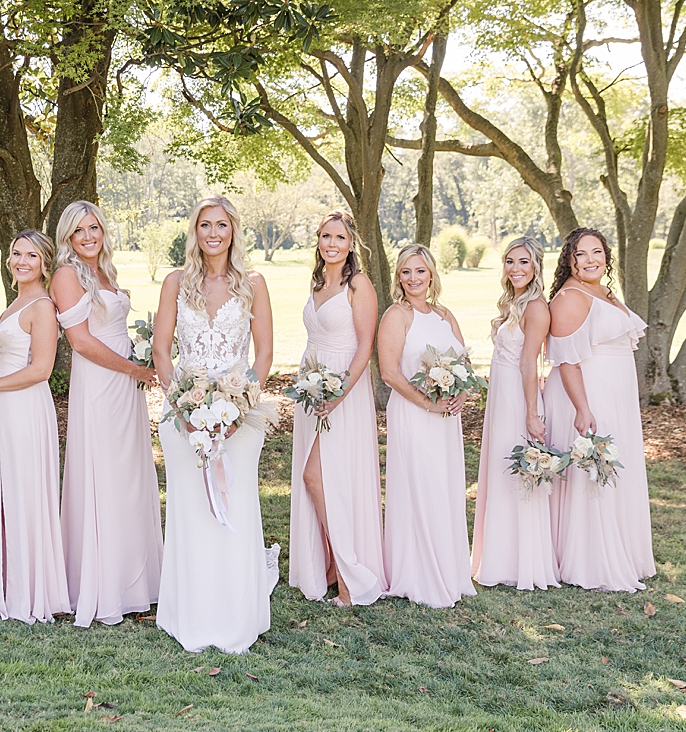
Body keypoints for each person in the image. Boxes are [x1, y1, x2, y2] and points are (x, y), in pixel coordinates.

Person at [152, 196, 278, 654]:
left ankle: (235, 612)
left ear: (232, 231)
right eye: (204, 225)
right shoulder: (175, 283)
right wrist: (182, 407)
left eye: (221, 225)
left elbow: (263, 353)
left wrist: (241, 405)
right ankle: (193, 611)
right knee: (191, 511)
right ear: (195, 232)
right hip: (183, 417)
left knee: (235, 507)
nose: (212, 233)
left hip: (240, 418)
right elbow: (162, 352)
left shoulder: (254, 284)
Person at [50, 200, 162, 628]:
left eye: (94, 227)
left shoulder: (104, 272)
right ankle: (105, 585)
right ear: (68, 238)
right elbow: (80, 341)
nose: (89, 236)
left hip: (124, 383)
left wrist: (139, 361)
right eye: (79, 231)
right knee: (106, 476)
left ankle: (136, 582)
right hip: (99, 384)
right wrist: (135, 368)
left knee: (130, 474)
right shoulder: (65, 274)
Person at [0, 230, 71, 623]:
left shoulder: (42, 306)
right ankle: (0, 579)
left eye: (31, 256)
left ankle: (28, 589)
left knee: (23, 489)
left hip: (24, 408)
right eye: (16, 254)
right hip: (2, 407)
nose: (21, 261)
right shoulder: (14, 304)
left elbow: (40, 370)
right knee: (1, 487)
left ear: (44, 263)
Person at [543, 228, 656, 592]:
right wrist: (582, 408)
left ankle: (623, 552)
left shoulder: (604, 292)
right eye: (581, 254)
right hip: (589, 394)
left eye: (597, 252)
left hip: (616, 393)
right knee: (595, 470)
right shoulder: (570, 298)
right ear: (569, 261)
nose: (591, 260)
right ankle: (592, 561)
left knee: (616, 470)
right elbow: (565, 362)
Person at [288, 211, 385, 607]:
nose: (331, 243)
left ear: (351, 244)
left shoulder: (358, 284)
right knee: (319, 478)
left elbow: (365, 346)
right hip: (313, 390)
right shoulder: (317, 281)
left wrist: (339, 393)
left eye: (339, 237)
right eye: (325, 236)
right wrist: (310, 387)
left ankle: (350, 576)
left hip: (342, 390)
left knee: (320, 477)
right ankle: (327, 567)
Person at [378, 243, 476, 608]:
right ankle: (417, 574)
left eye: (420, 271)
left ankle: (449, 571)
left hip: (446, 419)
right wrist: (426, 403)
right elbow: (389, 372)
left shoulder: (444, 315)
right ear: (398, 277)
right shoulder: (396, 315)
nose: (413, 278)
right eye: (406, 272)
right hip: (414, 415)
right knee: (420, 488)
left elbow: (464, 364)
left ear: (431, 274)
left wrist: (460, 396)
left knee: (445, 488)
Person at [471, 237, 558, 591]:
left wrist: (532, 413)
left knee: (515, 474)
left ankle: (517, 562)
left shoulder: (536, 307)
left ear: (535, 266)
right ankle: (496, 554)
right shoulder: (513, 303)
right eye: (509, 261)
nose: (515, 268)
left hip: (517, 398)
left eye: (523, 262)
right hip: (501, 394)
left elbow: (528, 363)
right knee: (499, 471)